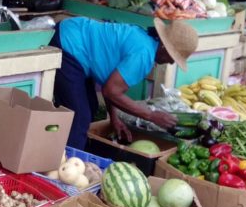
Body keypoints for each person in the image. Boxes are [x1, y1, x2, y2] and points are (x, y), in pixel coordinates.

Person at [49, 17, 199, 150]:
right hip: (69, 43)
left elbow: (110, 82)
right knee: (79, 117)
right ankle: (66, 167)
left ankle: (63, 150)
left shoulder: (146, 41)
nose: (172, 62)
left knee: (90, 106)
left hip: (75, 36)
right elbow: (111, 91)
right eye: (173, 56)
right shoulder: (144, 54)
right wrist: (152, 116)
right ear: (164, 47)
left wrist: (114, 117)